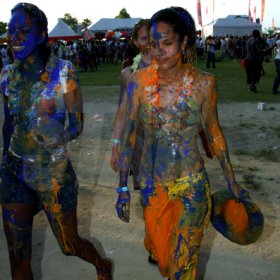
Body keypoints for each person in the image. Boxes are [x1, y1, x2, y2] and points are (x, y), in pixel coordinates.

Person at [115, 7, 243, 279]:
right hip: (152, 185)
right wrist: (123, 186)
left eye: (167, 43)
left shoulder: (205, 84)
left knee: (181, 268)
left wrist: (231, 179)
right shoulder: (138, 82)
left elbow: (214, 132)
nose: (159, 51)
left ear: (184, 42)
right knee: (162, 259)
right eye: (153, 44)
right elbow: (128, 135)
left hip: (192, 184)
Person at [0, 3, 112, 279]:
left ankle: (101, 265)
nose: (14, 38)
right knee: (18, 256)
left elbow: (76, 125)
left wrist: (58, 137)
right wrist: (4, 160)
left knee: (69, 245)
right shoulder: (6, 76)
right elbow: (9, 122)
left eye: (24, 31)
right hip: (15, 171)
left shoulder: (64, 72)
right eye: (11, 31)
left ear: (41, 35)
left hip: (53, 172)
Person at [110, 19, 152, 193]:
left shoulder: (169, 68)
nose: (149, 43)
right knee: (147, 199)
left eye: (152, 37)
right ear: (135, 42)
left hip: (167, 144)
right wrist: (115, 148)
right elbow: (122, 113)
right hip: (139, 144)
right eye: (144, 38)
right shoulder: (128, 73)